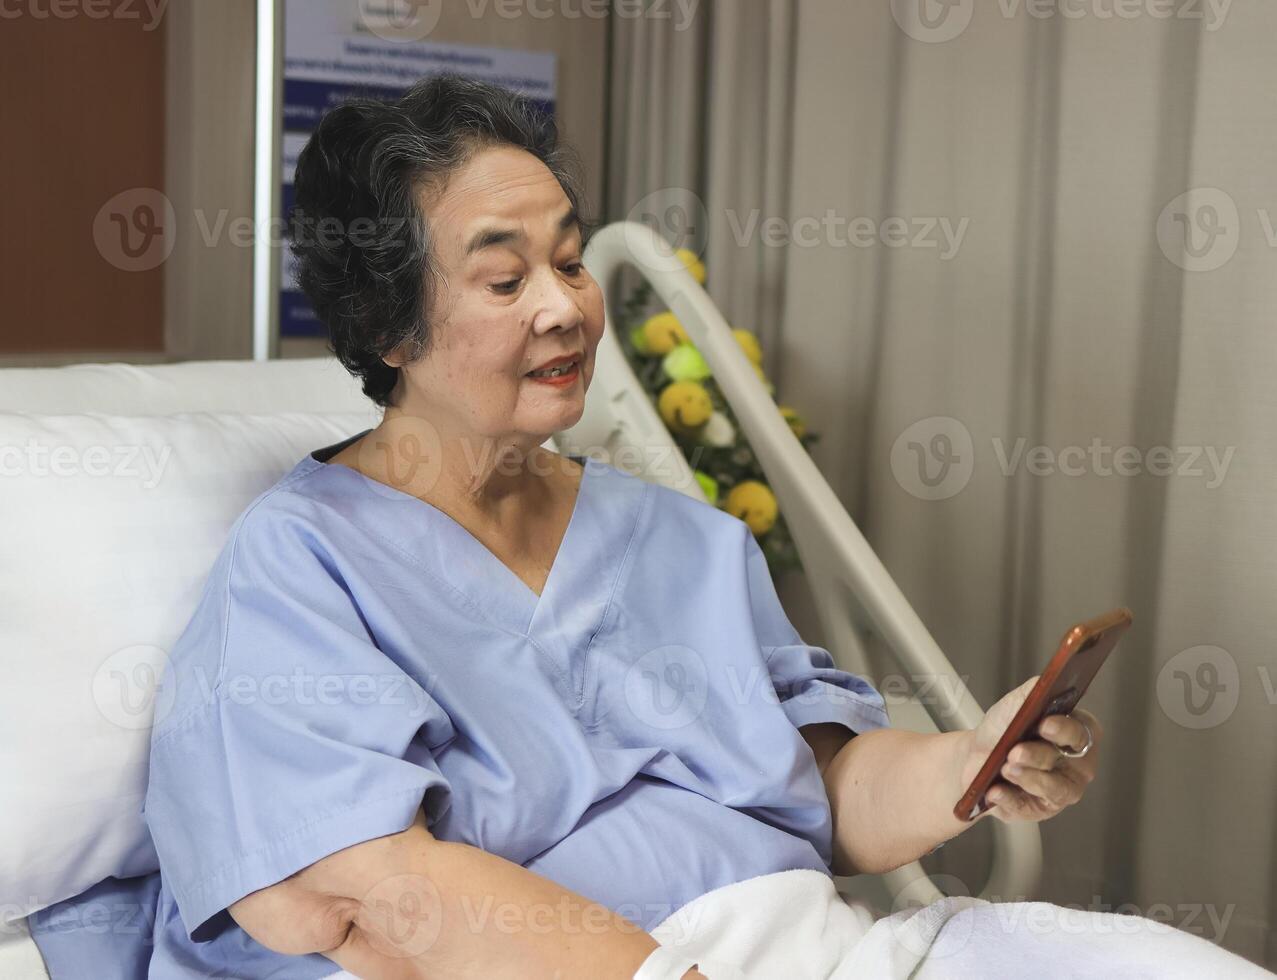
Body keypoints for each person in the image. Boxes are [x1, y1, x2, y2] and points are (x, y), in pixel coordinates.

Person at [28, 73, 1259, 980]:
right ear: (387, 323)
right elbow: (367, 889)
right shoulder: (299, 572)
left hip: (804, 947)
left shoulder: (680, 539)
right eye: (506, 279)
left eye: (569, 260)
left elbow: (820, 784)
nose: (567, 306)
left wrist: (965, 765)